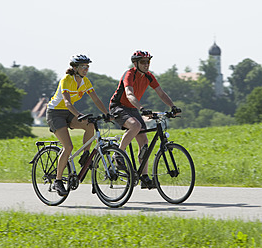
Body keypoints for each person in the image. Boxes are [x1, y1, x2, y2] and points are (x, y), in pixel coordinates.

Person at [109, 50, 181, 189]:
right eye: (143, 62)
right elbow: (129, 94)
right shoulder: (129, 74)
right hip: (118, 107)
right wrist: (142, 108)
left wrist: (173, 106)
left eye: (148, 61)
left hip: (133, 108)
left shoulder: (149, 77)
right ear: (135, 63)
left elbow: (161, 92)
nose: (146, 64)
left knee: (144, 142)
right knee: (135, 126)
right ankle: (117, 155)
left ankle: (144, 176)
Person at [46, 54, 109, 196]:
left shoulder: (85, 81)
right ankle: (58, 180)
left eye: (87, 66)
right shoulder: (66, 80)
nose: (86, 69)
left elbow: (96, 99)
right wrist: (79, 115)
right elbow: (67, 102)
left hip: (69, 112)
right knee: (68, 147)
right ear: (74, 68)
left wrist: (107, 113)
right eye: (83, 67)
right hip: (55, 113)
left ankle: (86, 155)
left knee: (90, 125)